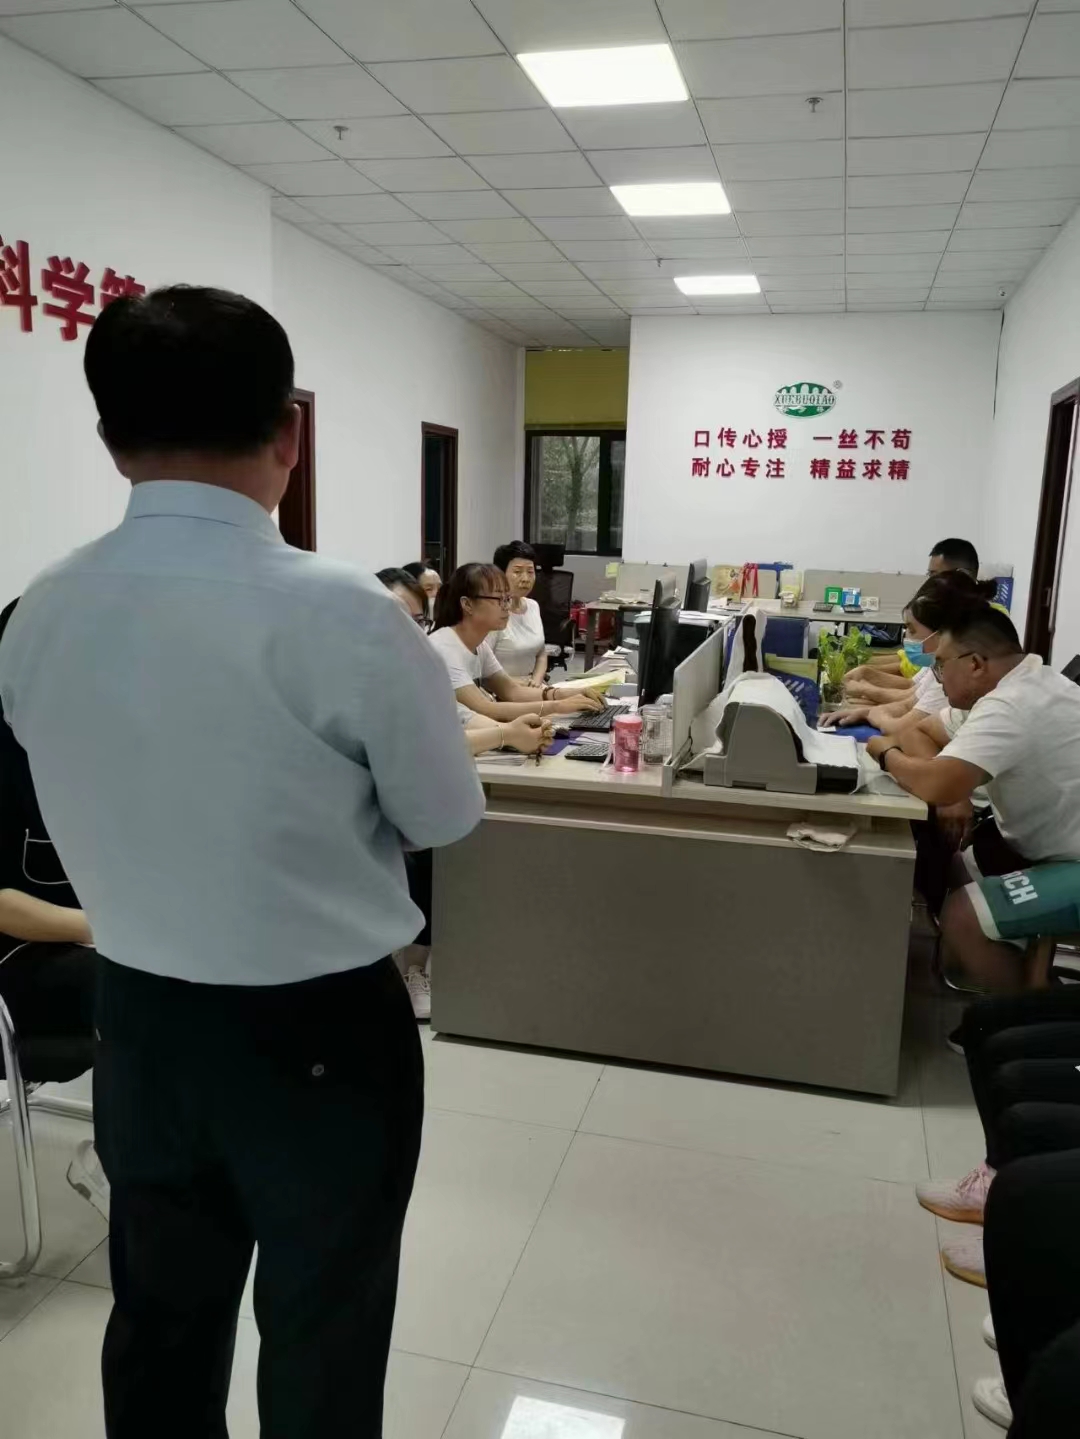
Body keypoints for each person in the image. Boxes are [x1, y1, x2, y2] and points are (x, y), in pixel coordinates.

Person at [0, 285, 486, 1439]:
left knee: (161, 1320)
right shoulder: (352, 615)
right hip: (321, 1031)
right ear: (289, 432)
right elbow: (441, 817)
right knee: (323, 1325)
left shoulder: (34, 612)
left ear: (111, 436)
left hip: (139, 1019)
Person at [868, 605, 1080, 992]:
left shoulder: (1014, 704)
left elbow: (934, 783)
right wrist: (954, 794)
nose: (937, 677)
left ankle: (1024, 1021)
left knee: (964, 916)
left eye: (941, 665)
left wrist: (885, 753)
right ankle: (1017, 977)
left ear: (976, 664)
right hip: (1050, 845)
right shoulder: (1019, 683)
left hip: (1071, 860)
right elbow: (922, 732)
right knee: (957, 866)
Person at [0, 598, 106, 1214]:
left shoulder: (82, 749)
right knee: (136, 985)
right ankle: (125, 1162)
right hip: (14, 959)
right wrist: (105, 928)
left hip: (83, 942)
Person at [429, 563, 603, 725]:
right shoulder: (445, 648)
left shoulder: (478, 645)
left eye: (508, 598)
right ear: (467, 604)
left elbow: (512, 691)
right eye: (499, 599)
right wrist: (558, 706)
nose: (507, 606)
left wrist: (565, 693)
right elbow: (486, 708)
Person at [827, 572, 995, 729]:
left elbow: (903, 726)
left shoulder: (954, 675)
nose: (906, 636)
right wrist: (866, 710)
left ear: (942, 634)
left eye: (912, 630)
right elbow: (910, 702)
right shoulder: (941, 666)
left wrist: (870, 708)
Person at [842, 537, 984, 694]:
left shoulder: (975, 629)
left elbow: (911, 687)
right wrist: (862, 669)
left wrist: (864, 678)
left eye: (935, 575)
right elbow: (914, 682)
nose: (930, 582)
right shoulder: (960, 615)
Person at [489, 541, 547, 685]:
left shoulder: (533, 606)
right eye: (517, 572)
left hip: (533, 686)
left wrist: (536, 681)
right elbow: (482, 672)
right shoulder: (492, 611)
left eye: (530, 572)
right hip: (502, 690)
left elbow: (541, 653)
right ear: (500, 574)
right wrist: (522, 685)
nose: (526, 579)